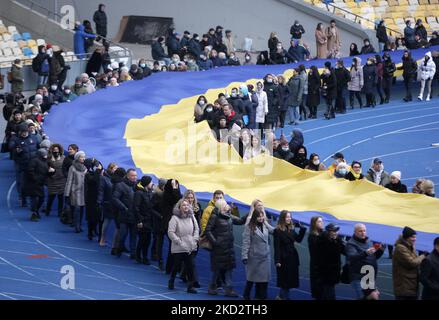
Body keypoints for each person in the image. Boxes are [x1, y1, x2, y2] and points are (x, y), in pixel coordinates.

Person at [205, 198, 243, 297]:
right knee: (217, 269)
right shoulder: (214, 216)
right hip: (219, 249)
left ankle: (229, 290)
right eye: (225, 204)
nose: (227, 205)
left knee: (228, 269)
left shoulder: (229, 216)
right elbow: (208, 230)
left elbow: (240, 221)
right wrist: (215, 242)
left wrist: (251, 213)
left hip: (228, 247)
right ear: (221, 206)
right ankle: (212, 286)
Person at [167, 199, 199, 294]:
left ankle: (190, 286)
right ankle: (172, 279)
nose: (186, 207)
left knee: (190, 266)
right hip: (179, 246)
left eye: (187, 205)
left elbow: (196, 228)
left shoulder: (192, 216)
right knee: (176, 265)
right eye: (183, 205)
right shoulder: (174, 218)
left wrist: (195, 239)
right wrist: (178, 241)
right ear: (179, 207)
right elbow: (170, 232)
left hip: (190, 245)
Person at [242, 208, 275, 300]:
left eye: (262, 216)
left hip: (265, 256)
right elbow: (246, 242)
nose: (261, 218)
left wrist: (269, 223)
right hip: (254, 257)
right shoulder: (249, 227)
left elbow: (274, 231)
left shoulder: (265, 225)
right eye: (258, 217)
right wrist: (244, 256)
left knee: (264, 279)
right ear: (254, 217)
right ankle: (246, 295)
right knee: (251, 279)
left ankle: (262, 296)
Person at [273, 210, 306, 300]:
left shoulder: (291, 229)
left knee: (289, 280)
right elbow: (277, 247)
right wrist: (277, 260)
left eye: (290, 217)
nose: (289, 218)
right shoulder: (277, 231)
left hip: (292, 258)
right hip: (283, 259)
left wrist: (302, 229)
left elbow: (298, 239)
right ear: (282, 218)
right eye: (287, 217)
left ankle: (280, 296)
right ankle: (284, 297)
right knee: (285, 280)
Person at [345, 224, 385, 299]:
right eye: (360, 231)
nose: (363, 233)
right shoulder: (350, 244)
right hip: (359, 277)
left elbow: (373, 257)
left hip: (369, 277)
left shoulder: (368, 241)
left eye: (364, 231)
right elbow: (352, 257)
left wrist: (381, 250)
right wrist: (365, 253)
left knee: (374, 296)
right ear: (355, 232)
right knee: (369, 297)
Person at [9, 123, 39, 207]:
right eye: (22, 131)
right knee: (22, 183)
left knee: (33, 182)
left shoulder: (33, 138)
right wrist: (16, 150)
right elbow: (11, 147)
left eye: (25, 131)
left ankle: (32, 199)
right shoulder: (15, 139)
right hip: (21, 164)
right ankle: (23, 198)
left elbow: (38, 147)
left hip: (32, 164)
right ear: (19, 132)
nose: (24, 133)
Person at [393, 226, 427, 300]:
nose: (415, 239)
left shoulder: (410, 246)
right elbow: (412, 263)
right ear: (406, 237)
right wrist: (423, 256)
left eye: (415, 237)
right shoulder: (400, 248)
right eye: (412, 237)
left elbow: (415, 260)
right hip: (404, 285)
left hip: (411, 284)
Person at [112, 168, 138, 259]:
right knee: (122, 234)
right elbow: (115, 198)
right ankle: (119, 248)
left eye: (135, 175)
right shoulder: (120, 185)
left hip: (134, 215)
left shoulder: (137, 186)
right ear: (127, 176)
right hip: (124, 214)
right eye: (132, 175)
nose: (135, 177)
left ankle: (133, 253)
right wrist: (124, 208)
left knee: (133, 235)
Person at [315, 223, 345, 300]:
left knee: (326, 292)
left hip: (333, 273)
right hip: (326, 273)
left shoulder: (337, 240)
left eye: (337, 231)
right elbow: (329, 252)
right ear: (328, 232)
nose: (335, 232)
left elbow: (344, 251)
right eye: (333, 231)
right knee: (329, 293)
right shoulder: (322, 241)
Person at [134, 175, 159, 265]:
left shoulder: (148, 192)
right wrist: (139, 220)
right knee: (143, 239)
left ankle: (144, 256)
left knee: (147, 240)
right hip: (143, 220)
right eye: (150, 182)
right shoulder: (139, 193)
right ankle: (139, 255)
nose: (152, 184)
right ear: (146, 184)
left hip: (149, 220)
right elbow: (136, 208)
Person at [161, 179, 182, 273]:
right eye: (174, 185)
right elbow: (177, 198)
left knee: (174, 247)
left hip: (175, 224)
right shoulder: (167, 196)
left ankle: (172, 268)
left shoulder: (169, 194)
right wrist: (174, 188)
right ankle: (170, 268)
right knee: (173, 246)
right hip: (170, 224)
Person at [64, 150, 87, 233]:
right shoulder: (72, 167)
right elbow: (69, 180)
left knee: (81, 209)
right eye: (81, 157)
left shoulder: (85, 168)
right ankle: (76, 226)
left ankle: (79, 224)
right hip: (75, 192)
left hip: (83, 191)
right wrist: (67, 193)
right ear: (77, 158)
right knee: (77, 209)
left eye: (84, 157)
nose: (83, 158)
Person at [98, 163, 119, 250]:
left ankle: (115, 243)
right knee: (107, 220)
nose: (116, 170)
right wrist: (100, 201)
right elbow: (101, 190)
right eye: (115, 168)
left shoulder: (117, 178)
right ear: (110, 169)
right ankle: (102, 238)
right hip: (107, 202)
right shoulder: (104, 178)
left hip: (115, 202)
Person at [25, 149, 49, 222]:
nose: (46, 155)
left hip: (41, 183)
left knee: (42, 198)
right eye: (44, 154)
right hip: (33, 184)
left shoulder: (45, 161)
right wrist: (36, 179)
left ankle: (36, 211)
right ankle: (34, 213)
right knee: (34, 199)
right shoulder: (34, 161)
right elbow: (30, 171)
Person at [46, 144, 66, 217]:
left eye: (57, 150)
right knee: (51, 197)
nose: (55, 151)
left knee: (61, 198)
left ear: (60, 150)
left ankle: (60, 212)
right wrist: (48, 170)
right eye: (54, 150)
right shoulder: (48, 159)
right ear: (51, 150)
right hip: (52, 181)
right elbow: (45, 168)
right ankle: (48, 210)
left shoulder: (64, 158)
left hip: (62, 180)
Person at [308, 216, 324, 299]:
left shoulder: (323, 234)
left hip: (323, 268)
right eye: (319, 222)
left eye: (322, 221)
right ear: (314, 224)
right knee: (319, 292)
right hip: (316, 268)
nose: (321, 223)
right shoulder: (312, 236)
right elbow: (316, 252)